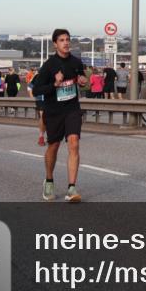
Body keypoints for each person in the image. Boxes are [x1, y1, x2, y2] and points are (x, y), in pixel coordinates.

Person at [31, 29, 88, 202]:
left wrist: (82, 81)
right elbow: (36, 90)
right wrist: (55, 84)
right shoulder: (49, 65)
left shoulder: (76, 62)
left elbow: (81, 79)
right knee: (53, 146)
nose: (66, 43)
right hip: (54, 111)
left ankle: (72, 188)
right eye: (62, 40)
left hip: (72, 109)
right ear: (55, 44)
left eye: (68, 39)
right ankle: (49, 181)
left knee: (74, 143)